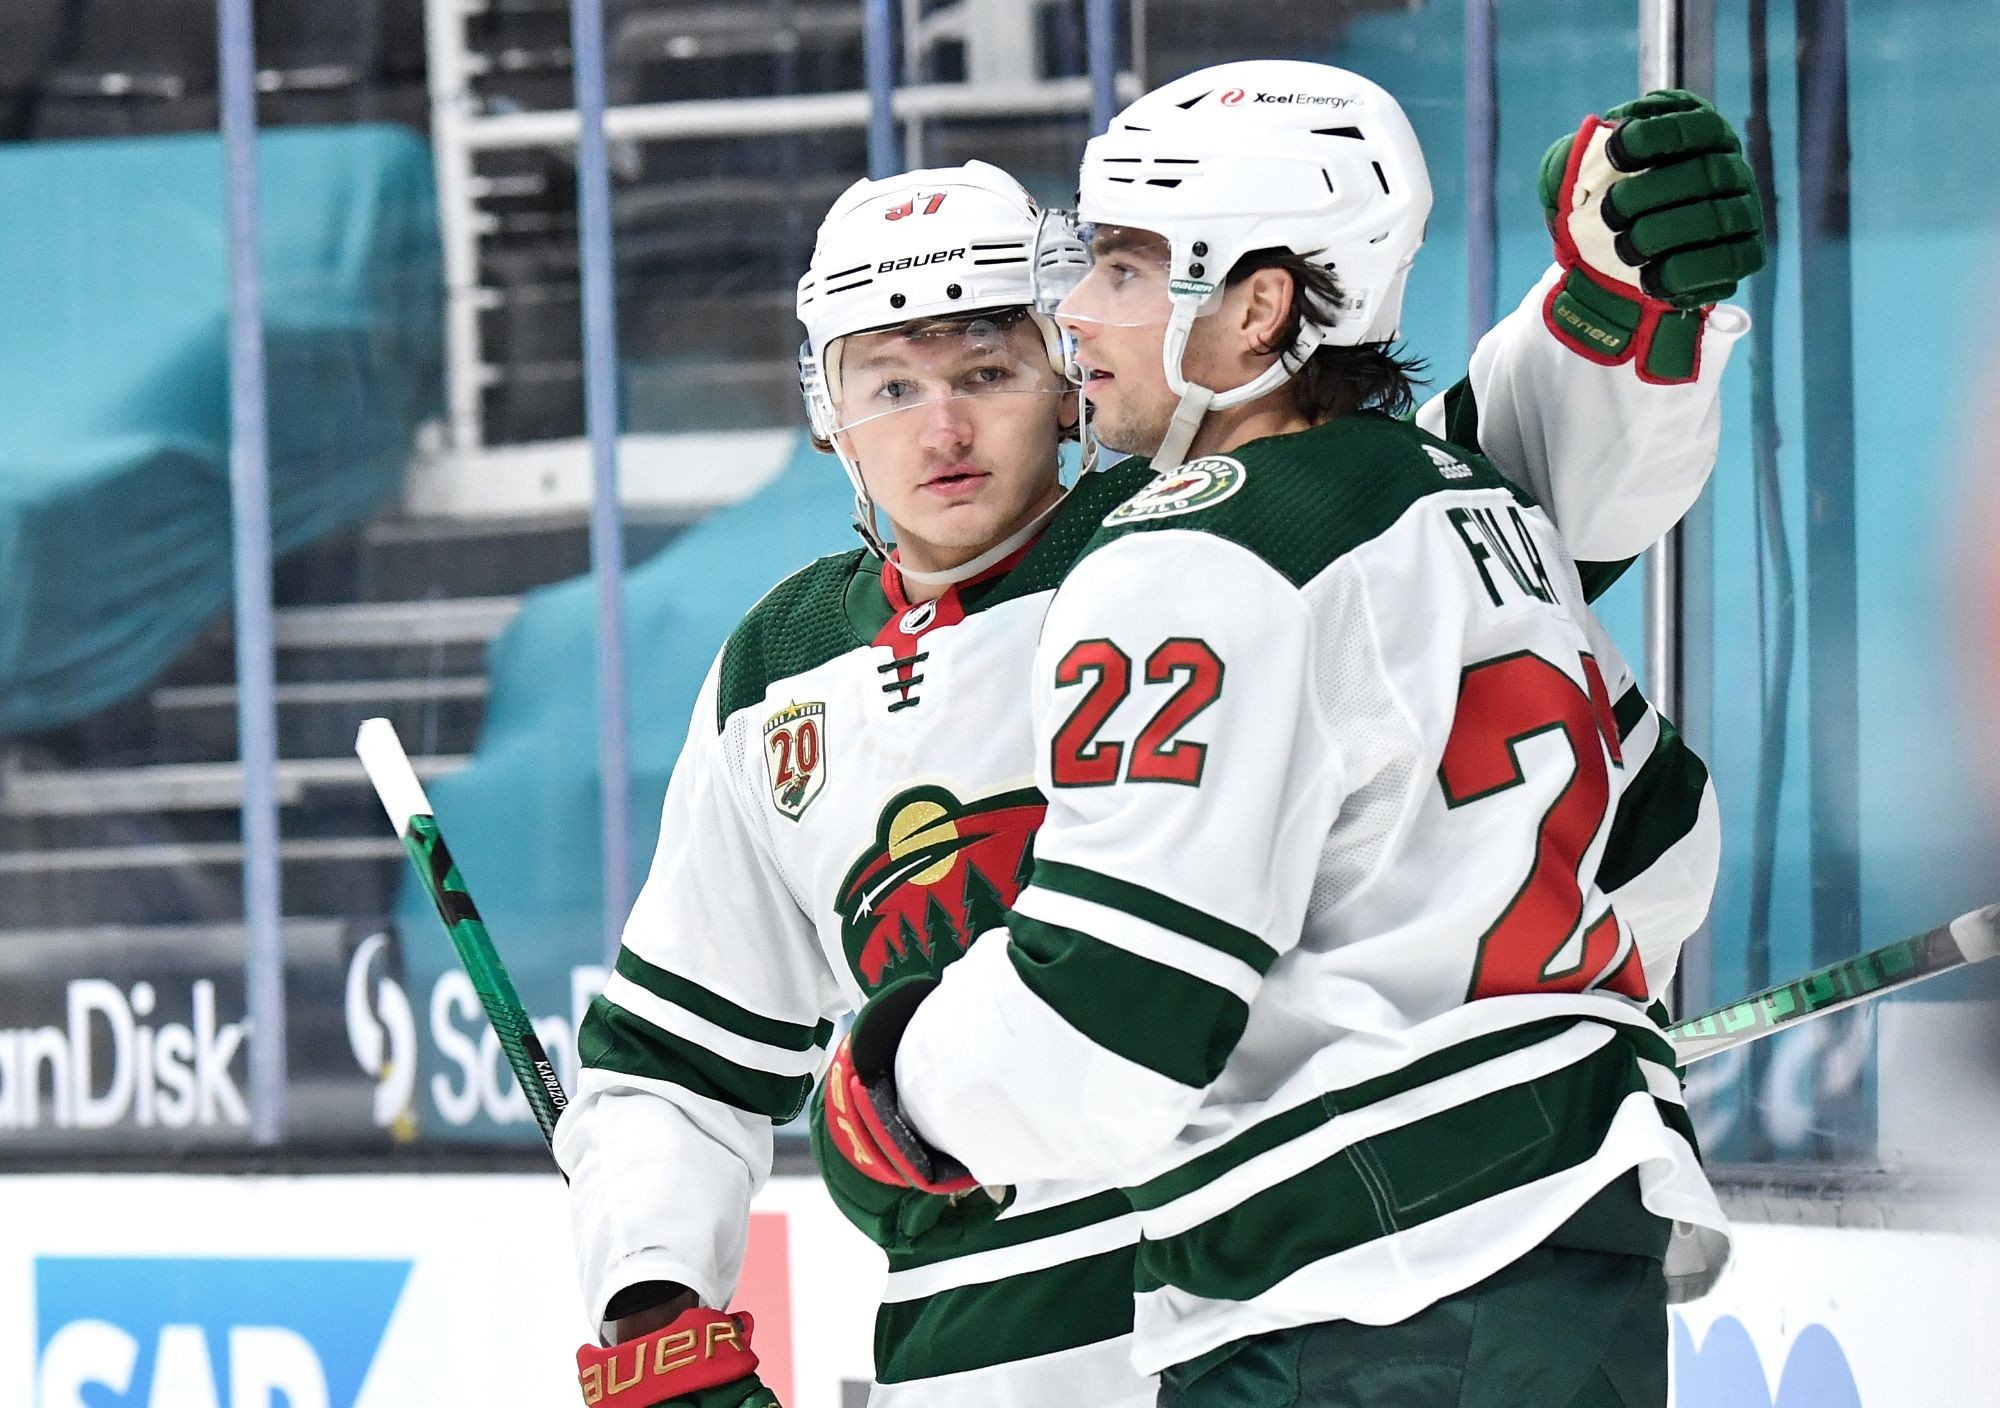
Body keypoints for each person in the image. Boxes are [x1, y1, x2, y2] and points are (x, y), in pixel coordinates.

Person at [559, 69, 1762, 1408]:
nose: (943, 428)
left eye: (987, 370)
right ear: (825, 408)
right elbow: (675, 1055)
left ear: (1062, 372)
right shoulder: (775, 677)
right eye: (890, 384)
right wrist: (649, 1297)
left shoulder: (1195, 537)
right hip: (1021, 1340)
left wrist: (1606, 317)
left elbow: (1488, 470)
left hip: (1259, 1282)